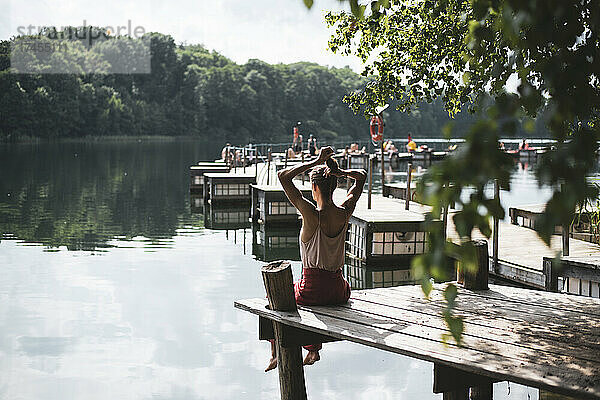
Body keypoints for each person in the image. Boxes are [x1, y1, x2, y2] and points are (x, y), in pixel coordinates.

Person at [266, 146, 367, 371]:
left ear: (313, 187)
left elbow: (283, 176)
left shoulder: (311, 215)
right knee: (302, 291)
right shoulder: (345, 211)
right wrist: (340, 172)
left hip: (312, 291)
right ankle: (312, 350)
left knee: (275, 293)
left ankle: (275, 353)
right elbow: (361, 177)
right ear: (335, 186)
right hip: (339, 290)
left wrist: (317, 160)